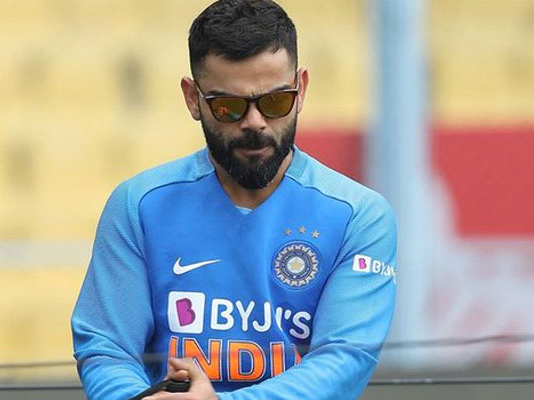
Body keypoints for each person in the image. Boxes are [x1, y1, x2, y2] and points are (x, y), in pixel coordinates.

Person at [71, 0, 397, 399]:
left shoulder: (359, 216)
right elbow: (106, 348)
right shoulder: (138, 205)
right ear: (193, 98)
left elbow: (343, 362)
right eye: (229, 107)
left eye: (275, 102)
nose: (255, 122)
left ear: (301, 90)